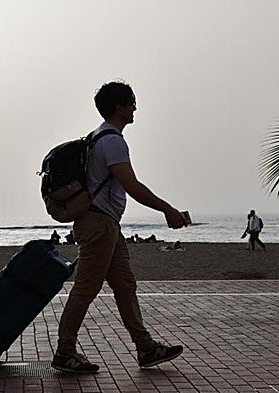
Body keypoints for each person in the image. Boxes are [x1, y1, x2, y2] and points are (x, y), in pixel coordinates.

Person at [51, 81, 187, 374]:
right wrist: (167, 209)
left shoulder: (96, 137)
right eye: (131, 103)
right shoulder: (112, 141)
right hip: (99, 225)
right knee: (85, 289)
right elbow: (132, 185)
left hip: (106, 224)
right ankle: (64, 352)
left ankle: (146, 348)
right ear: (119, 107)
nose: (135, 108)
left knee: (125, 285)